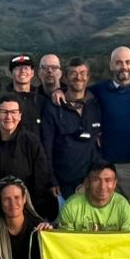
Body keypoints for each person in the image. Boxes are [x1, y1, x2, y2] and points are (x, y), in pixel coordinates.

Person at [0, 96, 56, 221]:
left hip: (27, 212)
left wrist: (25, 210)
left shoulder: (31, 142)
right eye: (4, 112)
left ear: (20, 116)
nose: (9, 117)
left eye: (13, 112)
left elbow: (41, 180)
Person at [89, 46, 130, 199]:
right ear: (111, 65)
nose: (124, 66)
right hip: (105, 164)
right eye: (118, 63)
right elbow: (76, 96)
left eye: (128, 62)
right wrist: (58, 91)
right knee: (105, 210)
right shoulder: (97, 91)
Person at [40, 58, 103, 199]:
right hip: (63, 183)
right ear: (66, 78)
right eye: (73, 73)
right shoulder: (53, 107)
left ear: (88, 77)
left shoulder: (96, 104)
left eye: (82, 73)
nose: (78, 77)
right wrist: (52, 179)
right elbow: (46, 147)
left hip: (91, 180)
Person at [58, 162, 130, 231]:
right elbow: (65, 242)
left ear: (115, 183)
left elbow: (129, 240)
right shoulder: (71, 206)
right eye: (96, 180)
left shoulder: (122, 205)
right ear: (87, 183)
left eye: (108, 180)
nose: (102, 186)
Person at [5, 54, 44, 136]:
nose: (22, 71)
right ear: (11, 73)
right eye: (18, 68)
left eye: (26, 68)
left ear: (32, 73)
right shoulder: (2, 101)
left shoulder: (43, 102)